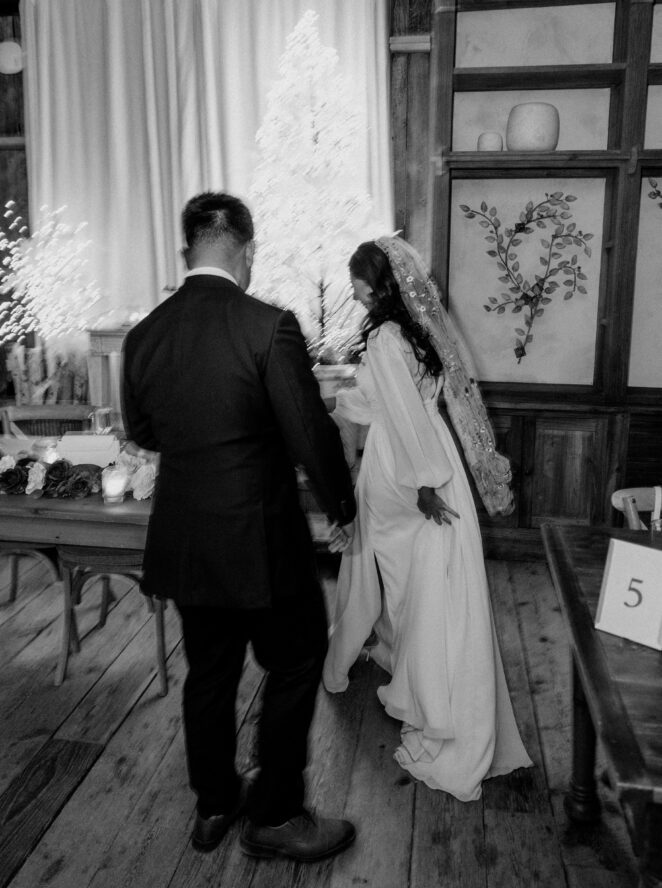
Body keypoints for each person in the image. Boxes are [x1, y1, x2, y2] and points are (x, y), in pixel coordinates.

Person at [122, 191, 357, 861]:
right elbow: (310, 435)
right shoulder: (268, 326)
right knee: (297, 658)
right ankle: (276, 813)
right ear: (247, 252)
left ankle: (216, 802)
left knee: (209, 673)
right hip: (263, 542)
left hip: (188, 540)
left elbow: (142, 432)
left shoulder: (145, 335)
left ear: (186, 250)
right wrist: (342, 509)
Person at [322, 235, 532, 801]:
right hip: (434, 458)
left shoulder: (388, 339)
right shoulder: (420, 334)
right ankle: (415, 667)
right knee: (426, 581)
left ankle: (426, 690)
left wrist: (422, 486)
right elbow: (399, 404)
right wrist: (340, 402)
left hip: (405, 467)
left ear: (378, 283)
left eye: (358, 283)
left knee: (406, 579)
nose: (355, 292)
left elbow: (404, 420)